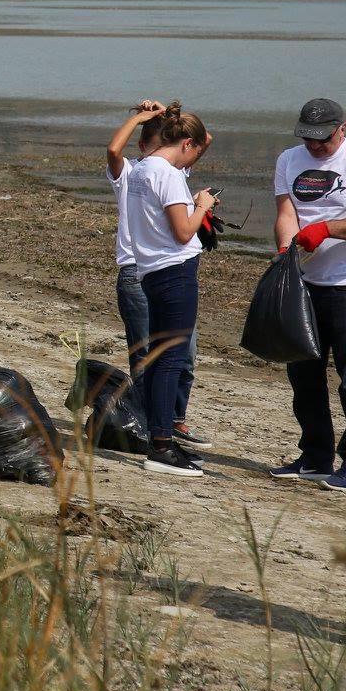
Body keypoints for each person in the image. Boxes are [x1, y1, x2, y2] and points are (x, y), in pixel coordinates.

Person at [271, 97, 346, 491]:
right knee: (303, 375)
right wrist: (286, 250)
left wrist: (327, 230)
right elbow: (286, 212)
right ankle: (316, 456)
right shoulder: (288, 159)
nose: (315, 147)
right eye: (308, 138)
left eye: (322, 139)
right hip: (305, 284)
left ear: (342, 128)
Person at [106, 100, 208, 451]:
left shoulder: (169, 171)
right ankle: (155, 429)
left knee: (179, 356)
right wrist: (139, 119)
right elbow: (113, 150)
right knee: (155, 356)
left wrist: (169, 115)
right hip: (148, 268)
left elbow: (201, 138)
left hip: (152, 268)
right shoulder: (138, 172)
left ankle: (169, 422)